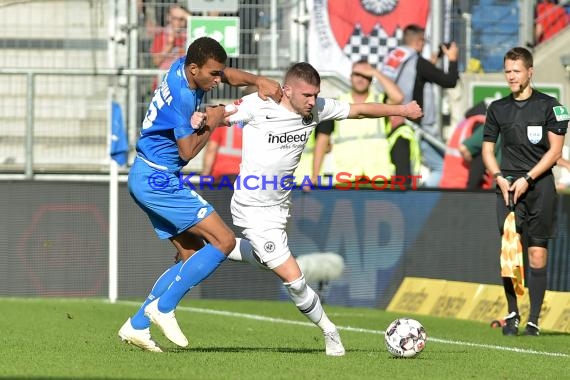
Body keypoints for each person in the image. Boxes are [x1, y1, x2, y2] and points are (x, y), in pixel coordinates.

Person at [225, 62, 422, 356]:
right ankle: (331, 332)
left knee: (267, 261)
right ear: (288, 90)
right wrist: (201, 115)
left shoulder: (316, 109)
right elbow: (223, 113)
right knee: (294, 278)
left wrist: (402, 111)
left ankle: (215, 244)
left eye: (315, 94)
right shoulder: (259, 104)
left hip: (279, 207)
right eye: (306, 95)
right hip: (251, 205)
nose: (311, 101)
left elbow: (359, 111)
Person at [118, 36, 282, 352]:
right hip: (157, 179)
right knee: (224, 241)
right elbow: (188, 149)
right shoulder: (182, 97)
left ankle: (137, 325)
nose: (218, 80)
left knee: (191, 256)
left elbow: (228, 74)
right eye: (213, 74)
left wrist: (256, 80)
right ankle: (162, 308)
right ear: (195, 69)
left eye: (219, 73)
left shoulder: (186, 68)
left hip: (148, 175)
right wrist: (215, 122)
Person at [482, 47, 568, 336]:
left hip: (540, 186)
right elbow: (487, 150)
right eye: (507, 71)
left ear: (530, 72)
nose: (511, 76)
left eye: (516, 71)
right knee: (510, 252)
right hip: (507, 188)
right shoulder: (497, 109)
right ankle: (512, 314)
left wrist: (528, 179)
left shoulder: (550, 106)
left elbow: (555, 152)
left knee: (537, 256)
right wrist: (499, 177)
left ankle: (533, 320)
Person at [382, 24, 459, 187]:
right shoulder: (418, 62)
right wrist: (452, 59)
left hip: (394, 123)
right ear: (419, 42)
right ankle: (422, 201)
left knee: (405, 173)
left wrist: (432, 63)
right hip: (415, 126)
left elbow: (411, 80)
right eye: (423, 42)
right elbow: (449, 81)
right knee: (442, 167)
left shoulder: (394, 57)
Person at [311, 59, 404, 185]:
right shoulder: (338, 104)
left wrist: (375, 72)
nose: (360, 79)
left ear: (371, 79)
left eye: (365, 75)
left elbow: (398, 97)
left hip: (378, 176)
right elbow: (322, 141)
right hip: (346, 177)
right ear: (350, 77)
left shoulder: (380, 101)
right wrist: (315, 176)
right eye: (357, 74)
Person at [201, 86, 257, 183]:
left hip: (221, 174)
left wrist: (205, 175)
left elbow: (211, 149)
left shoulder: (228, 116)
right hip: (247, 177)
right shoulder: (261, 123)